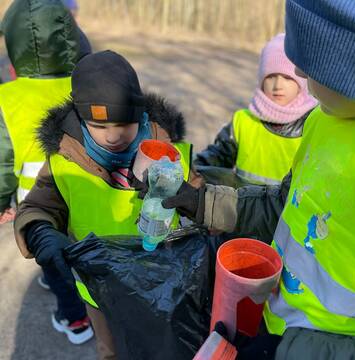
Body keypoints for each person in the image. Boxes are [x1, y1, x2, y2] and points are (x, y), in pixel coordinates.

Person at [163, 0, 355, 358]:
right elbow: (289, 207)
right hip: (279, 326)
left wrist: (289, 349)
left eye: (315, 61)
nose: (297, 70)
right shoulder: (332, 118)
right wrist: (207, 203)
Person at [13, 50, 196, 359]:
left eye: (124, 123)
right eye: (100, 126)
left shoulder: (168, 150)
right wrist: (39, 232)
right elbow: (36, 208)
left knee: (160, 347)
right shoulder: (64, 161)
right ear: (81, 120)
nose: (113, 137)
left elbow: (201, 200)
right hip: (99, 286)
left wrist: (203, 206)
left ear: (139, 115)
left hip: (159, 282)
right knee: (109, 350)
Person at [0, 0, 93, 345]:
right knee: (77, 248)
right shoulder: (81, 84)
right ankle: (86, 298)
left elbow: (2, 159)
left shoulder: (6, 97)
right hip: (82, 192)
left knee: (53, 261)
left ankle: (77, 319)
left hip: (37, 205)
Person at [194, 33, 317, 186]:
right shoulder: (243, 121)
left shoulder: (314, 125)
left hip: (288, 210)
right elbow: (215, 158)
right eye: (271, 76)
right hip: (243, 208)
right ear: (261, 80)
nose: (278, 85)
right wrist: (190, 169)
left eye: (287, 78)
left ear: (302, 82)